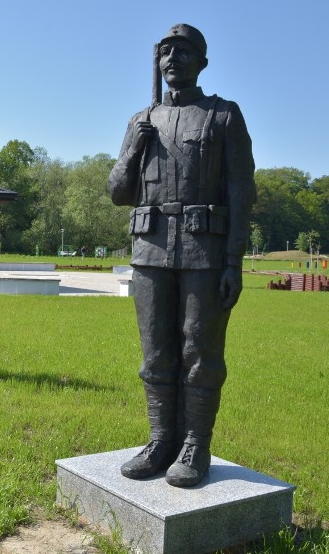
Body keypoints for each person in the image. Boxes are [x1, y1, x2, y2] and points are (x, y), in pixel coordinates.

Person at [108, 24, 256, 487]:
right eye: (165, 51)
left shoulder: (222, 116)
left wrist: (233, 262)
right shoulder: (141, 120)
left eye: (184, 51)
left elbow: (241, 192)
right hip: (150, 250)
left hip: (204, 253)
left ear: (202, 62)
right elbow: (118, 192)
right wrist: (134, 146)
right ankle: (161, 441)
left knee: (199, 349)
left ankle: (195, 445)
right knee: (156, 352)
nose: (172, 58)